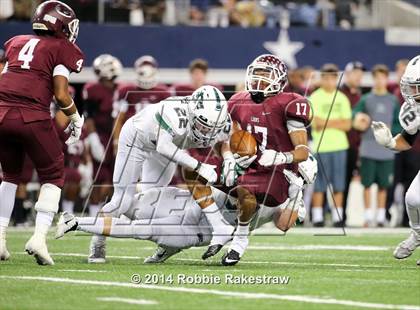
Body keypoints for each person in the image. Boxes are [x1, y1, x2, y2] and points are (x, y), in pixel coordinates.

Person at [56, 156, 318, 264]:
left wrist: (295, 194)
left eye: (293, 174)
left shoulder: (290, 198)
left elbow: (284, 224)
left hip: (196, 232)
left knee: (143, 230)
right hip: (189, 203)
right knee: (128, 203)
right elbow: (194, 174)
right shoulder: (257, 165)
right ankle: (97, 243)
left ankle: (75, 223)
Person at [87, 85, 234, 263]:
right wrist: (199, 166)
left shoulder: (221, 122)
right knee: (123, 200)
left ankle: (162, 244)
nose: (207, 132)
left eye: (212, 127)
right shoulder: (174, 112)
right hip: (138, 138)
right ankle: (98, 241)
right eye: (203, 126)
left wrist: (229, 159)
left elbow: (222, 142)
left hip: (169, 145)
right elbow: (163, 147)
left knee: (152, 200)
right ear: (193, 113)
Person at [0, 0, 84, 265]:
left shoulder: (15, 42)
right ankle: (38, 238)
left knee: (10, 176)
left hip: (1, 113)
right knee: (54, 174)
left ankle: (0, 240)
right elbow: (60, 94)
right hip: (31, 115)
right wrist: (75, 117)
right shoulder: (62, 48)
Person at [214, 54, 311, 266]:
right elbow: (227, 138)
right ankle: (217, 227)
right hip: (250, 163)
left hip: (277, 169)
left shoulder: (290, 103)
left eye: (266, 75)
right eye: (257, 74)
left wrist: (281, 156)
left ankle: (239, 240)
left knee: (282, 224)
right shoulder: (238, 101)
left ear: (280, 79)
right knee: (205, 172)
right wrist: (229, 158)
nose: (260, 80)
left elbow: (303, 151)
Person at [371, 55, 420, 265]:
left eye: (416, 87)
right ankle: (418, 235)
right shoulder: (414, 109)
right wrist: (390, 143)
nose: (411, 92)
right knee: (412, 199)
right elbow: (408, 139)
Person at [353, 65, 401, 227]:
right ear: (373, 79)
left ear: (387, 79)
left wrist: (389, 132)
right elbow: (355, 115)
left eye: (383, 77)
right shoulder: (366, 99)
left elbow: (398, 123)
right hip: (368, 148)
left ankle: (380, 217)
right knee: (367, 184)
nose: (380, 80)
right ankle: (367, 217)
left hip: (387, 150)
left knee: (383, 185)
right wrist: (360, 119)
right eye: (377, 77)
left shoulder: (393, 100)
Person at [310, 64, 352, 227]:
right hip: (321, 147)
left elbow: (348, 124)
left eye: (332, 78)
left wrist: (326, 121)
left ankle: (337, 216)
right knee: (319, 184)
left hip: (340, 146)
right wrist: (337, 122)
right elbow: (316, 122)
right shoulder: (314, 97)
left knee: (339, 184)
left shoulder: (342, 98)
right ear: (321, 79)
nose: (329, 81)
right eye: (325, 78)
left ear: (336, 79)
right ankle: (318, 217)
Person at [82, 54, 123, 216]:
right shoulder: (92, 89)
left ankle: (107, 213)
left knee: (115, 178)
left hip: (116, 138)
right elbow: (89, 116)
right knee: (99, 178)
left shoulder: (120, 88)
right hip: (100, 136)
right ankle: (93, 213)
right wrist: (93, 139)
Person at [340, 61, 364, 225]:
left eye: (360, 73)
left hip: (355, 145)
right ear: (347, 74)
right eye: (354, 73)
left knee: (347, 180)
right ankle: (328, 214)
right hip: (338, 143)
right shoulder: (339, 93)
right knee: (335, 181)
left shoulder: (360, 96)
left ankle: (342, 215)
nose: (358, 76)